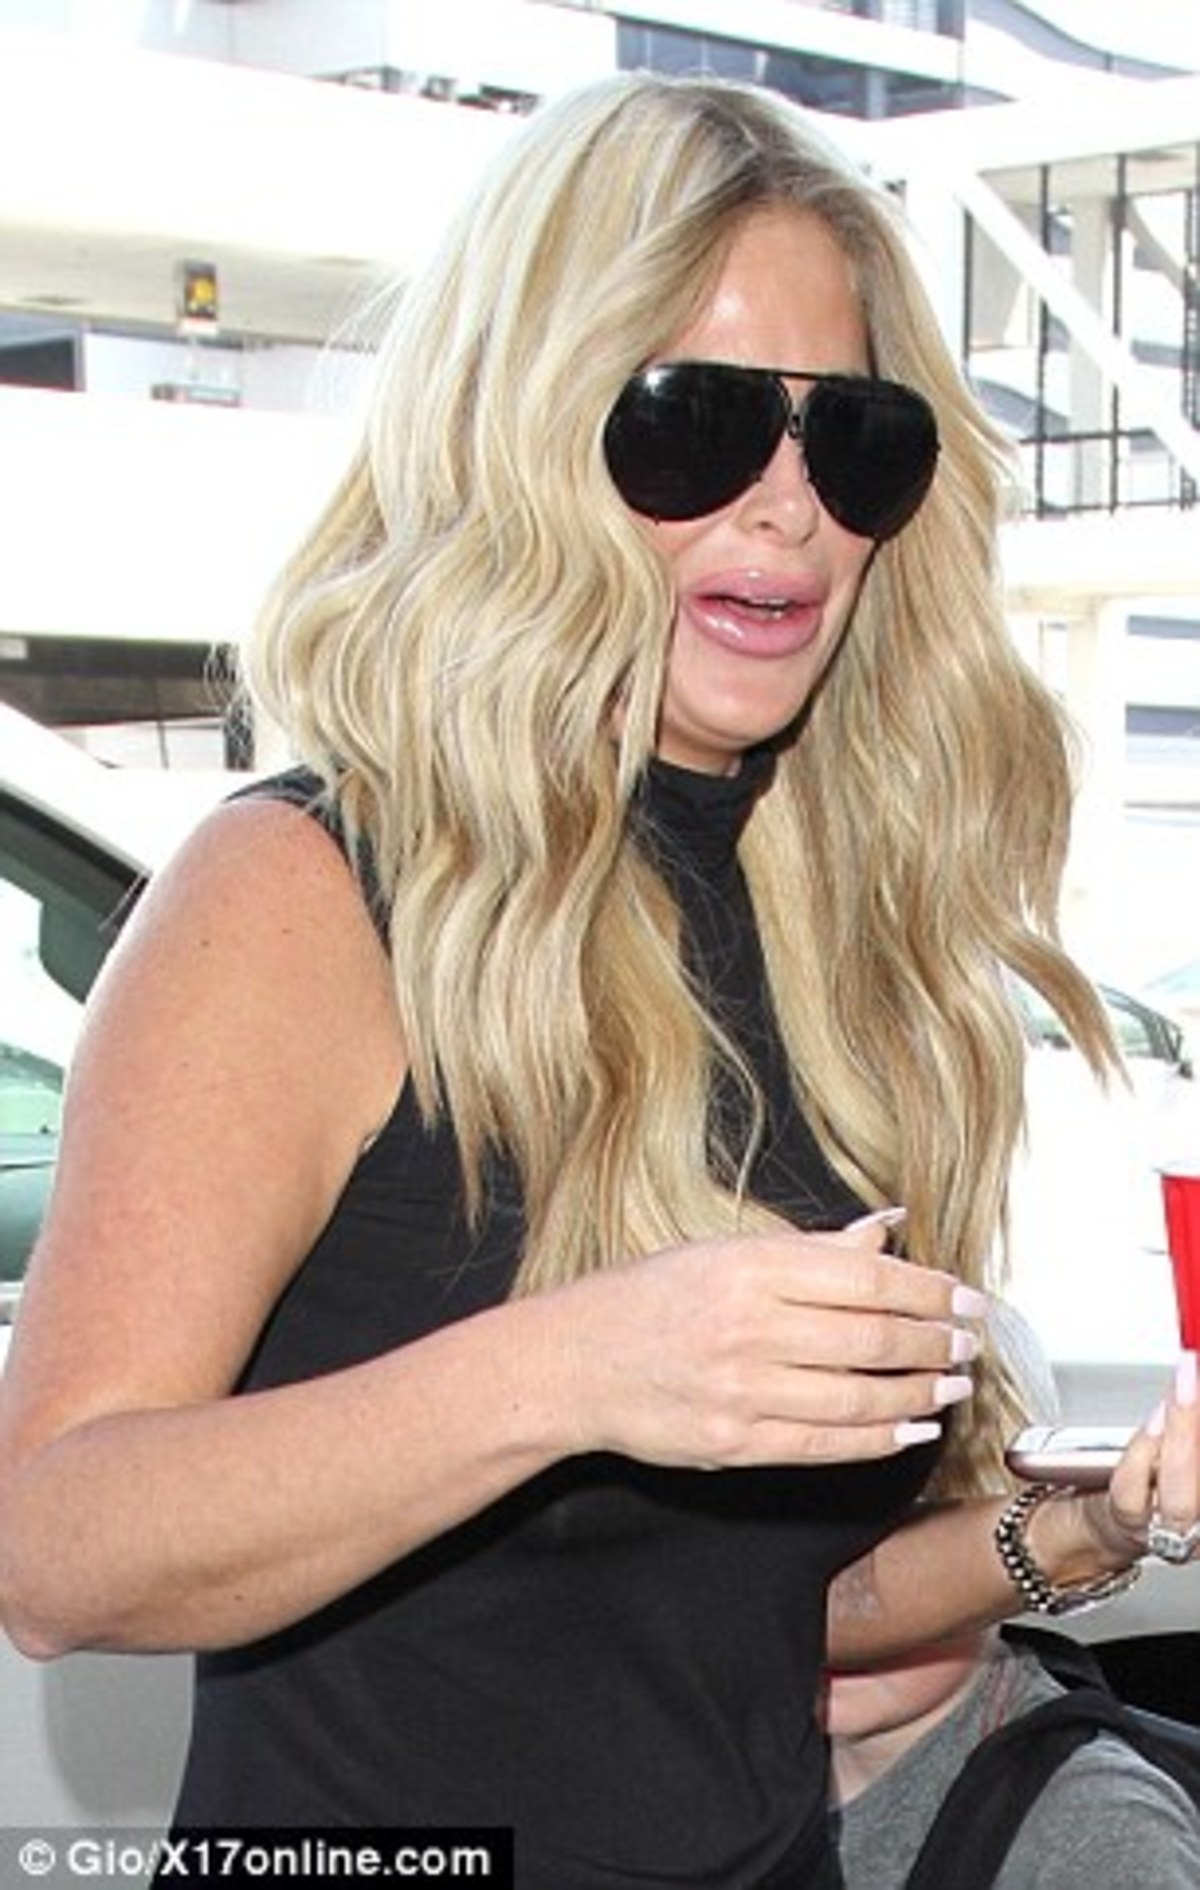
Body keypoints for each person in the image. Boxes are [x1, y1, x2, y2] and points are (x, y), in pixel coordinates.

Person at [0, 71, 1197, 1890]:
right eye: (693, 423)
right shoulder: (307, 895)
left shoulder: (832, 933)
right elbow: (54, 1545)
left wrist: (1087, 1530)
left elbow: (732, 1622)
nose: (789, 506)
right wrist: (574, 1369)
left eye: (853, 440)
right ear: (528, 431)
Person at [827, 1623, 1200, 1889]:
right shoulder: (796, 1738)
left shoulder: (1097, 1832)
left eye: (898, 1565)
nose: (839, 1623)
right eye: (803, 1554)